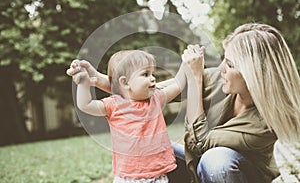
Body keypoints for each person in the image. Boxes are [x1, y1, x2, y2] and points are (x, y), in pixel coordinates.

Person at [67, 23, 300, 183]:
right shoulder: (219, 79)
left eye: (229, 64)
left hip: (230, 172)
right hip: (197, 167)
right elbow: (142, 91)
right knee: (157, 148)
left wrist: (195, 78)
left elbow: (201, 146)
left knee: (217, 160)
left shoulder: (267, 121)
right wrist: (95, 77)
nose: (221, 68)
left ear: (253, 74)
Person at [70, 49, 192, 183]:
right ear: (125, 82)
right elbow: (85, 105)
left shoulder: (156, 99)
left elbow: (177, 85)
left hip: (158, 176)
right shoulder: (114, 105)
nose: (153, 78)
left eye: (152, 73)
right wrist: (84, 84)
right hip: (127, 178)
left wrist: (186, 63)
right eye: (145, 74)